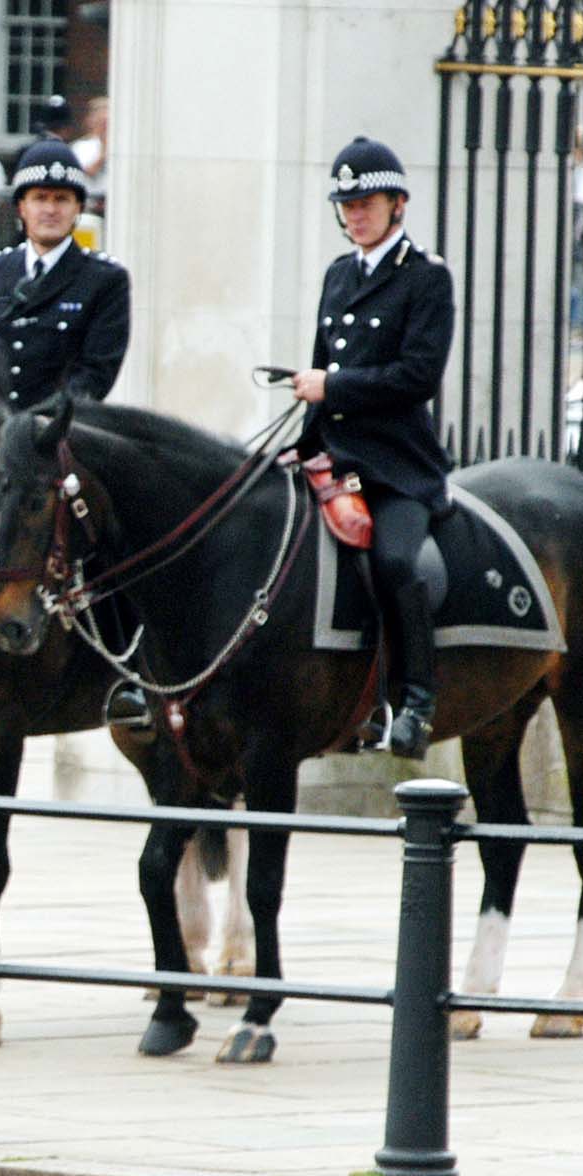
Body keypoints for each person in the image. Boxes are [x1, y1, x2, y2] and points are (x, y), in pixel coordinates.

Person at [293, 136, 455, 759]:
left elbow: (418, 376)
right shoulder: (339, 274)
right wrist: (302, 441)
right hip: (334, 456)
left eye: (368, 202)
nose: (356, 214)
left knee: (394, 563)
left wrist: (334, 385)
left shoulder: (425, 278)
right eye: (347, 204)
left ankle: (415, 700)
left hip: (396, 467)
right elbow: (316, 372)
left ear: (398, 205)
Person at [0, 137, 130, 407]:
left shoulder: (105, 280)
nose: (51, 210)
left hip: (57, 434)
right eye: (40, 198)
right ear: (22, 207)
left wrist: (35, 425)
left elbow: (96, 374)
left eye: (62, 199)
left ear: (78, 208)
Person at [72, 97, 110, 216]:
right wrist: (104, 152)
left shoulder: (121, 150)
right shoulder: (81, 147)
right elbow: (89, 171)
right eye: (101, 122)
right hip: (91, 204)